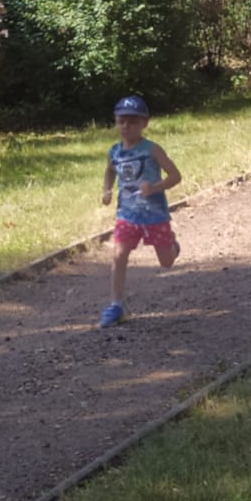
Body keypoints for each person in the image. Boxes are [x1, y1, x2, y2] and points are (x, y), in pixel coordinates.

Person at [99, 94, 182, 327]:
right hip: (127, 214)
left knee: (166, 262)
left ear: (144, 123)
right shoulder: (114, 152)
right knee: (119, 255)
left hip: (154, 214)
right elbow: (110, 170)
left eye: (133, 121)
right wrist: (107, 190)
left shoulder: (152, 149)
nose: (126, 126)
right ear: (116, 122)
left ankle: (172, 244)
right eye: (122, 121)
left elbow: (175, 176)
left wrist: (155, 187)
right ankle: (116, 305)